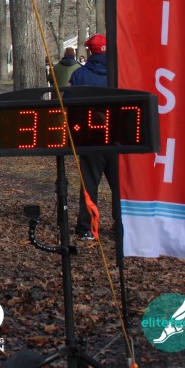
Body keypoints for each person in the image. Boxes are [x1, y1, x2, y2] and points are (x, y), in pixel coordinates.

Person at [70, 33, 113, 241]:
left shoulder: (79, 75)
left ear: (90, 51)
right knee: (120, 186)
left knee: (89, 184)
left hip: (90, 137)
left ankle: (86, 227)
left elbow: (69, 104)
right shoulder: (121, 72)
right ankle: (123, 227)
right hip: (119, 138)